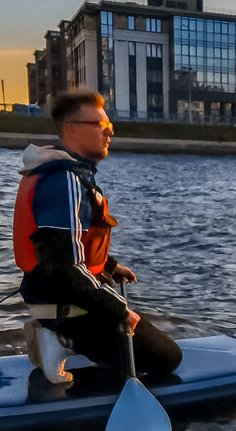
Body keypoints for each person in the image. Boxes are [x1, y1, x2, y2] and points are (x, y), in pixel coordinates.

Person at [12, 90, 183, 386]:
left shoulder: (71, 174)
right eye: (101, 124)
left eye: (110, 125)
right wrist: (118, 312)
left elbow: (69, 245)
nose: (110, 131)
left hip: (56, 295)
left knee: (146, 339)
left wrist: (110, 266)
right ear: (73, 130)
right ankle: (59, 339)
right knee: (166, 359)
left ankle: (71, 338)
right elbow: (63, 269)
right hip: (62, 303)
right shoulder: (63, 180)